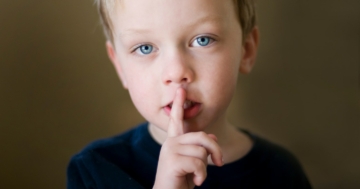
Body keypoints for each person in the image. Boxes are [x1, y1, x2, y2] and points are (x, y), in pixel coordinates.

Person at [67, 0, 312, 188]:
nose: (176, 72)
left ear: (246, 51)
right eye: (145, 48)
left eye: (203, 40)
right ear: (119, 66)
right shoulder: (95, 171)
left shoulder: (282, 173)